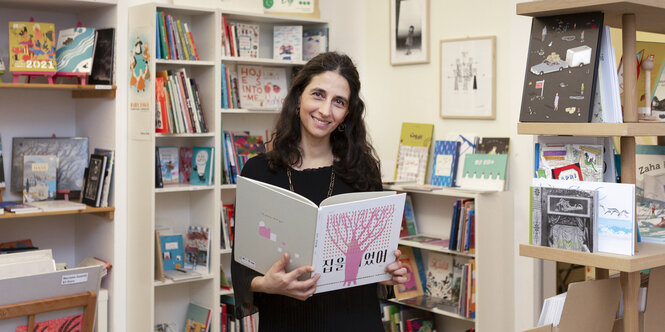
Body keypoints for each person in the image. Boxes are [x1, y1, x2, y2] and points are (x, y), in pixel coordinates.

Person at [231, 52, 407, 331]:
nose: (326, 111)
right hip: (286, 322)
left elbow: (373, 262)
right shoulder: (259, 171)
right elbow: (242, 267)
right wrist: (268, 285)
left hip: (355, 320)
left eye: (339, 102)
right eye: (318, 95)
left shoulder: (363, 171)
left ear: (348, 113)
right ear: (299, 96)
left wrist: (385, 271)